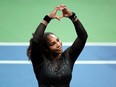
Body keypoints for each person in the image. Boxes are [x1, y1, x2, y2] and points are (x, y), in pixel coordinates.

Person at [27, 4, 88, 87]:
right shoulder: (39, 61)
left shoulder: (68, 56)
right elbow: (36, 40)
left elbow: (83, 37)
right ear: (46, 49)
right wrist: (47, 19)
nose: (58, 44)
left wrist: (72, 16)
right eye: (53, 44)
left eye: (58, 40)